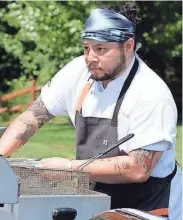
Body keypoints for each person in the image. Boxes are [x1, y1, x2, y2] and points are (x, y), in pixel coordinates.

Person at [0, 3, 182, 220]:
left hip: (148, 210)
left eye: (101, 49)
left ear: (128, 46)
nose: (90, 57)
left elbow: (138, 168)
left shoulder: (150, 93)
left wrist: (68, 168)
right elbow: (33, 116)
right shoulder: (78, 72)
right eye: (86, 48)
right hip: (96, 204)